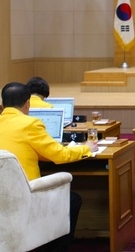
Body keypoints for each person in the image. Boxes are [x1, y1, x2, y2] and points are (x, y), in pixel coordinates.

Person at [0, 82, 98, 251]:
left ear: (2, 104)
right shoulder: (30, 124)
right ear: (27, 104)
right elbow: (60, 155)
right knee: (73, 199)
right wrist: (86, 148)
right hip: (24, 198)